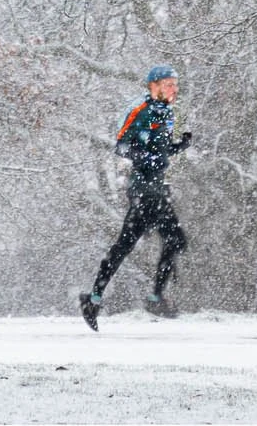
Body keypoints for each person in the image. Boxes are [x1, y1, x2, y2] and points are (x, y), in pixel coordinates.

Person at [80, 65, 192, 328]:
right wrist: (149, 159)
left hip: (157, 188)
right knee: (160, 242)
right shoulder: (140, 110)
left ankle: (96, 298)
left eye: (175, 84)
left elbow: (160, 152)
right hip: (143, 190)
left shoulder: (166, 113)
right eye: (167, 84)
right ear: (153, 86)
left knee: (140, 245)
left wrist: (180, 146)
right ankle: (150, 298)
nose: (173, 89)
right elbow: (122, 145)